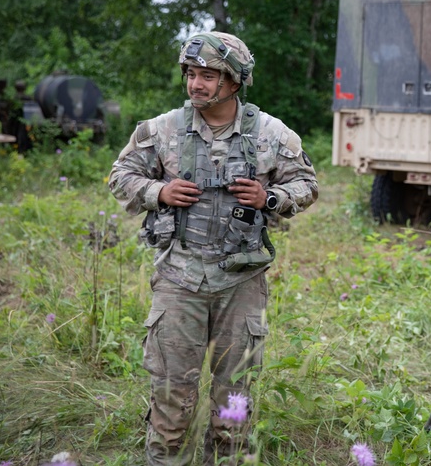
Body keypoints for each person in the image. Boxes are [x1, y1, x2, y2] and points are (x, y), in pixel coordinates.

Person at [108, 31, 318, 465]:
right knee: (171, 397)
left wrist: (270, 198)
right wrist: (159, 192)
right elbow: (120, 176)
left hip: (241, 282)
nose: (196, 84)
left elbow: (307, 184)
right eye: (190, 74)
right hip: (179, 278)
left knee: (233, 403)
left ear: (236, 81)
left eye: (208, 75)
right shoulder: (162, 129)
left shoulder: (271, 134)